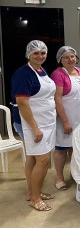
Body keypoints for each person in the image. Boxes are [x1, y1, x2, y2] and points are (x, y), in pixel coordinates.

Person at [11, 40, 56, 211]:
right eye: (35, 53)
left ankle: (32, 191)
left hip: (45, 121)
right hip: (32, 123)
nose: (40, 56)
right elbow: (22, 102)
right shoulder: (23, 74)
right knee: (43, 160)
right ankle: (35, 199)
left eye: (43, 53)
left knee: (33, 157)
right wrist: (35, 128)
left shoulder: (41, 70)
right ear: (28, 54)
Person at [50, 46, 80, 191]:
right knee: (61, 148)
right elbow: (57, 99)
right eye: (66, 57)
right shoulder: (58, 74)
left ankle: (75, 173)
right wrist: (65, 121)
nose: (70, 59)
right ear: (60, 59)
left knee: (76, 147)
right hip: (65, 118)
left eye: (72, 56)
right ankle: (59, 178)